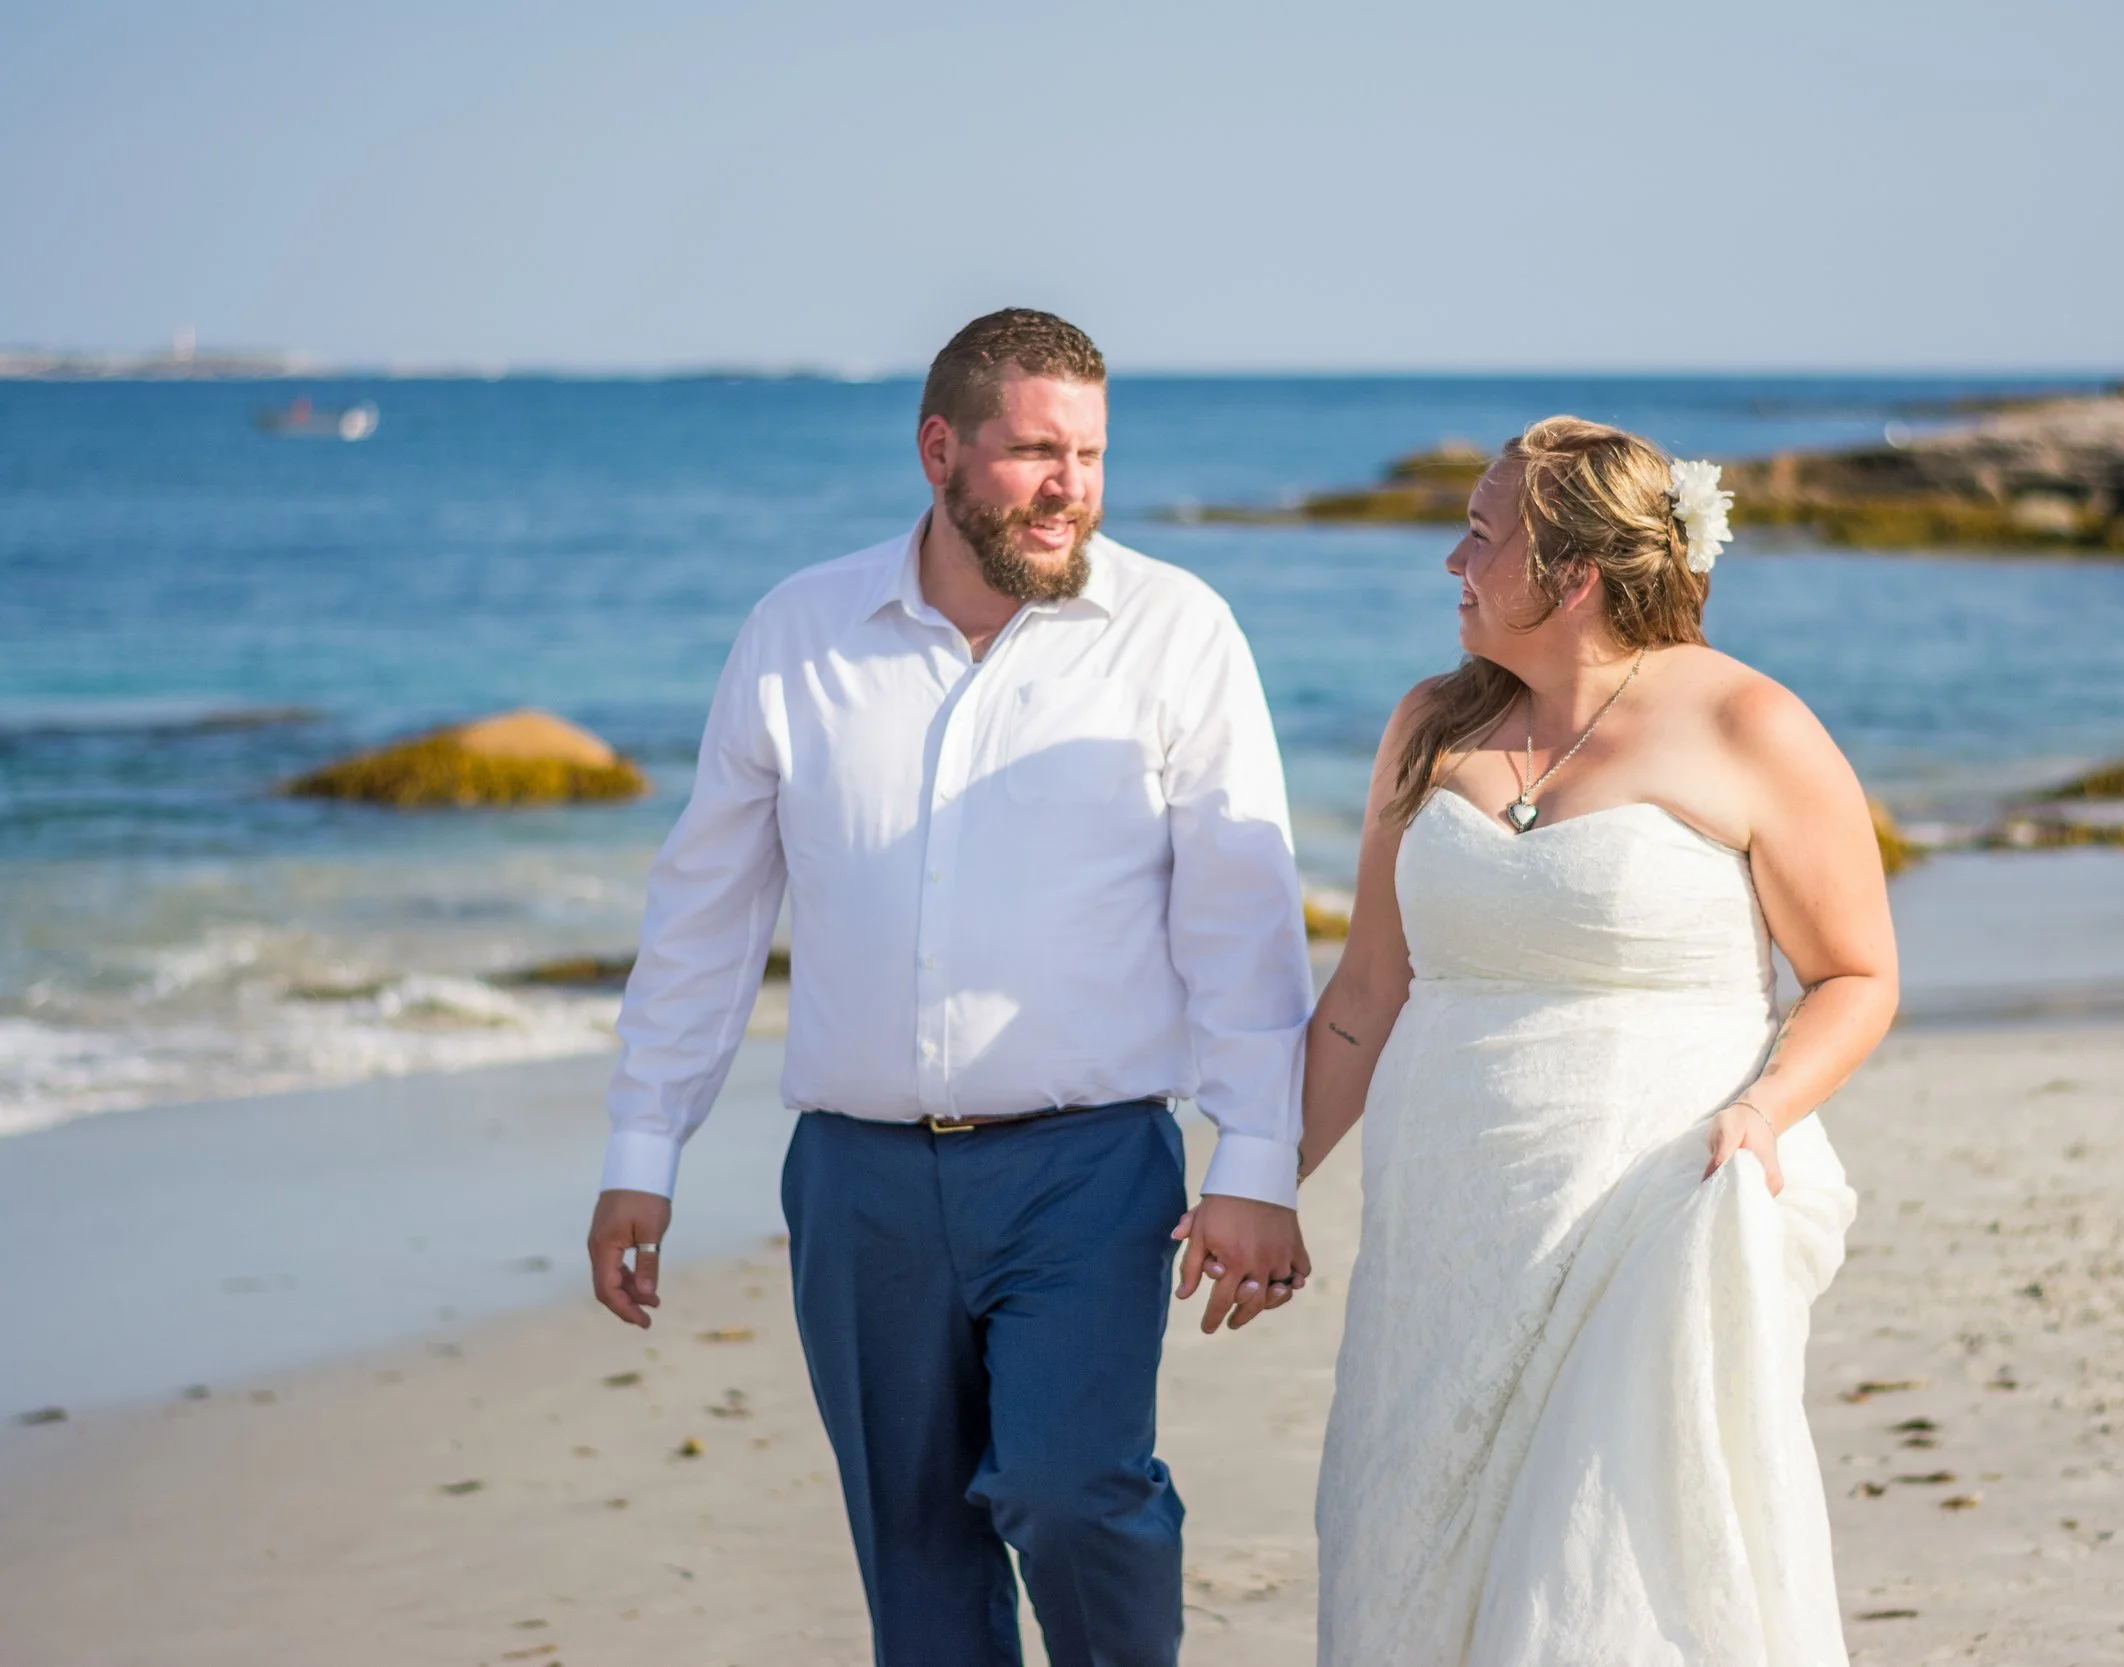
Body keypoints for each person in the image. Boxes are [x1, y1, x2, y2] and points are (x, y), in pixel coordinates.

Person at [583, 309, 1315, 1667]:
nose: (1072, 487)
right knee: (914, 1550)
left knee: (1071, 1485)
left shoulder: (1176, 631)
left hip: (1089, 1168)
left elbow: (1241, 916)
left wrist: (1254, 1158)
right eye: (1036, 451)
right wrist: (645, 1144)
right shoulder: (798, 633)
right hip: (857, 1187)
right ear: (939, 450)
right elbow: (709, 907)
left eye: (1091, 453)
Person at [1300, 418, 1898, 1664]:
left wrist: (1766, 1107)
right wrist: (1254, 1180)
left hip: (1647, 1217)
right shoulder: (1427, 727)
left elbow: (1853, 972)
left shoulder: (1750, 724)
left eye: (1478, 532)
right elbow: (1366, 987)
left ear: (1570, 575)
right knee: (1415, 1558)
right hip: (1444, 1238)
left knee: (1606, 1583)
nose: (1449, 560)